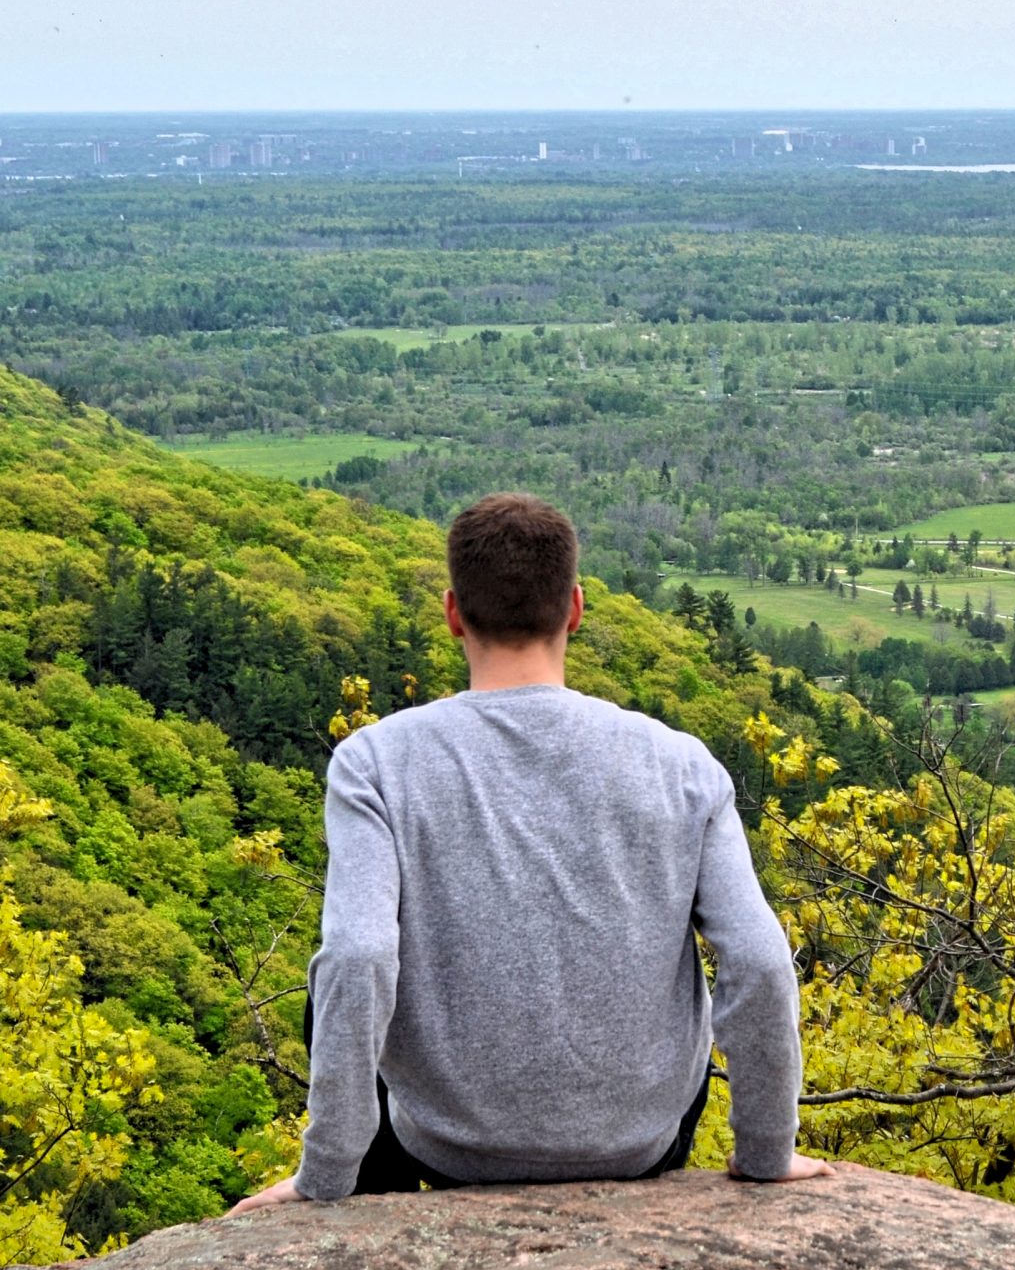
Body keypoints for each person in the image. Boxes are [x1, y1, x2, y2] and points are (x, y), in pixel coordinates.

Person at [231, 492, 827, 1212]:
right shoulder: (682, 764)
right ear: (575, 608)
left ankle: (366, 1203)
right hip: (637, 1145)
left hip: (448, 1149)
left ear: (453, 613)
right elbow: (759, 961)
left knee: (331, 983)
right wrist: (767, 1152)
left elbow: (358, 959)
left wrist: (321, 1179)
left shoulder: (375, 762)